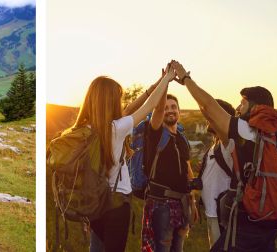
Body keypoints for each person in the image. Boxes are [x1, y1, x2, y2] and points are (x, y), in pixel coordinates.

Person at [171, 61, 277, 252]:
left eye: (243, 103)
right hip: (270, 221)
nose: (238, 108)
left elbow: (208, 107)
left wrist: (186, 78)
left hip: (248, 220)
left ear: (254, 106)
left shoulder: (246, 130)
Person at [79, 62, 176, 252]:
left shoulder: (84, 129)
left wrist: (157, 83)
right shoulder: (115, 129)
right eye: (118, 98)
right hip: (116, 204)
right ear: (110, 101)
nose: (121, 102)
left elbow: (131, 108)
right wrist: (167, 79)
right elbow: (149, 107)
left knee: (96, 248)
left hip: (94, 203)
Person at [140, 91, 199, 252]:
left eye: (173, 107)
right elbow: (157, 112)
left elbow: (188, 170)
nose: (170, 110)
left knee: (178, 249)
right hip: (161, 204)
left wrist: (192, 203)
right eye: (165, 108)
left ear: (179, 111)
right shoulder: (155, 133)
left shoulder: (181, 137)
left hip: (182, 204)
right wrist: (165, 83)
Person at [198, 99, 237, 247]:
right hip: (212, 211)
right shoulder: (215, 145)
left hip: (221, 215)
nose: (208, 117)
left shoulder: (228, 145)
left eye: (213, 114)